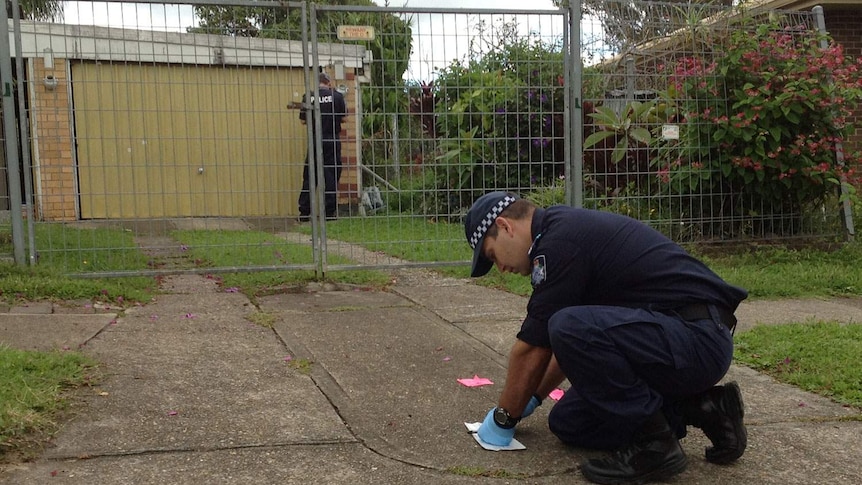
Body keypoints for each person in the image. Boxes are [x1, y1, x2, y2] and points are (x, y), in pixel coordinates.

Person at [464, 191, 748, 485]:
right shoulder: (561, 232)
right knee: (569, 422)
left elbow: (535, 346)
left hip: (697, 338)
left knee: (565, 324)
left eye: (491, 255)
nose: (500, 268)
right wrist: (533, 398)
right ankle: (706, 409)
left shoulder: (559, 243)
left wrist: (504, 419)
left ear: (505, 226)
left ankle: (655, 445)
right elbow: (573, 345)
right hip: (673, 341)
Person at [298, 71, 347, 221]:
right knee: (331, 175)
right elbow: (344, 118)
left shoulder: (309, 97)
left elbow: (302, 121)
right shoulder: (337, 96)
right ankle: (329, 213)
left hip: (315, 139)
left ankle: (305, 212)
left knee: (310, 175)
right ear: (329, 82)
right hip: (331, 139)